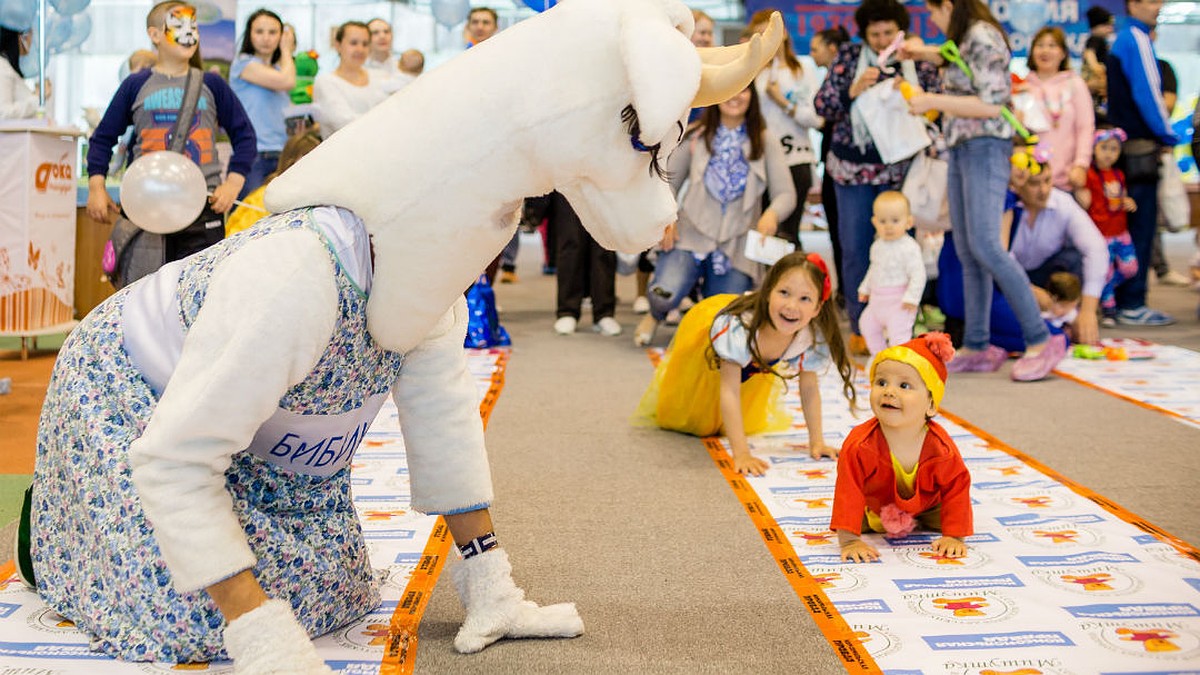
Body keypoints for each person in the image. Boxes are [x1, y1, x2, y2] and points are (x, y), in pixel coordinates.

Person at [900, 0, 1066, 381]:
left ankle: (1041, 339)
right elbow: (953, 57)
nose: (934, 20)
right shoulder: (963, 39)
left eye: (935, 12)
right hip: (961, 147)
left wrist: (930, 101)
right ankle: (977, 343)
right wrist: (920, 50)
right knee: (967, 248)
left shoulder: (983, 35)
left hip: (986, 146)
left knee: (988, 245)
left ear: (949, 6)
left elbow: (992, 104)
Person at [634, 253, 857, 475]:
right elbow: (729, 389)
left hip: (751, 365)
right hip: (706, 354)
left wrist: (816, 441)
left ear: (818, 308)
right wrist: (741, 453)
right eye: (784, 293)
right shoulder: (739, 328)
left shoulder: (808, 336)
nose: (791, 305)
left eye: (805, 299)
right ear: (768, 292)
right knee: (695, 416)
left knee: (733, 415)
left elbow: (809, 389)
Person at [813, 0, 941, 354]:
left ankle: (901, 329)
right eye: (875, 34)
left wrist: (910, 92)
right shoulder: (850, 58)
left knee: (902, 249)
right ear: (863, 34)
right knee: (855, 248)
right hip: (852, 171)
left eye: (889, 33)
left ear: (901, 30)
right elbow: (821, 105)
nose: (883, 40)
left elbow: (937, 109)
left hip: (902, 171)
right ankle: (860, 327)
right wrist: (853, 90)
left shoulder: (916, 57)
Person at [85, 0, 256, 264]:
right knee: (143, 293)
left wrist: (233, 184)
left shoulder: (212, 85)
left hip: (202, 209)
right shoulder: (136, 84)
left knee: (198, 293)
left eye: (194, 26)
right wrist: (97, 185)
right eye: (179, 25)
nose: (189, 33)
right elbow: (103, 137)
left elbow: (245, 136)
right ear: (155, 35)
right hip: (145, 208)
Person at [633, 84, 796, 347]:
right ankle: (656, 314)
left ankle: (700, 308)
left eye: (743, 91)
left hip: (737, 241)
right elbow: (667, 183)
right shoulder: (697, 135)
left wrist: (772, 215)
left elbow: (786, 194)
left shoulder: (765, 140)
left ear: (752, 98)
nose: (735, 97)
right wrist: (668, 218)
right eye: (729, 90)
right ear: (717, 97)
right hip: (691, 234)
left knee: (727, 313)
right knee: (663, 294)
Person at [832, 332, 972, 563]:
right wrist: (849, 540)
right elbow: (849, 488)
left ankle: (929, 521)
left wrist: (955, 536)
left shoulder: (941, 448)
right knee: (856, 519)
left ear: (930, 404)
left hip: (928, 506)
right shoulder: (860, 444)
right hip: (876, 507)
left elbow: (956, 486)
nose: (889, 391)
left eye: (904, 385)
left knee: (948, 514)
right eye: (881, 382)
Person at [1104, 0, 1178, 326]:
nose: (1159, 6)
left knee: (1127, 226)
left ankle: (1122, 301)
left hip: (1125, 147)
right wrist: (1167, 135)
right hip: (1139, 150)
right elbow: (1149, 94)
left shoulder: (1122, 37)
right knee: (1140, 227)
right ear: (1134, 4)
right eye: (1152, 0)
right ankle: (1132, 302)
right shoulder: (1136, 37)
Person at [747, 9, 823, 248]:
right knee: (763, 229)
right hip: (760, 160)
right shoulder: (752, 72)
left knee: (787, 230)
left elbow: (816, 119)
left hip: (795, 157)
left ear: (784, 34)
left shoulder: (801, 70)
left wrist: (783, 102)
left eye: (771, 33)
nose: (767, 40)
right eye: (759, 35)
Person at [1016, 26, 1093, 193]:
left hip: (1067, 180)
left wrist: (1081, 164)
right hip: (1031, 181)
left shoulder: (1075, 84)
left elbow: (1085, 127)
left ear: (1063, 53)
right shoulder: (1021, 87)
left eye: (1052, 46)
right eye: (1040, 45)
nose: (1045, 51)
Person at [1076, 127, 1138, 327]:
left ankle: (1104, 289)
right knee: (1105, 270)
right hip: (1101, 234)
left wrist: (1128, 201)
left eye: (1114, 149)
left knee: (1130, 268)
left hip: (1120, 231)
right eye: (1104, 148)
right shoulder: (1090, 175)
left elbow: (1121, 197)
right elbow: (1084, 201)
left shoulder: (1119, 174)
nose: (1109, 153)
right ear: (1094, 149)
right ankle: (1109, 308)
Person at [230, 9, 296, 199]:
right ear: (249, 35)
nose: (266, 38)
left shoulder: (279, 68)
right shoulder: (243, 64)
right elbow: (287, 81)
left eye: (273, 32)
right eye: (259, 32)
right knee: (249, 220)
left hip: (283, 154)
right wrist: (286, 50)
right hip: (254, 155)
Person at [809, 26, 851, 304]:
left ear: (833, 49)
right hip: (831, 162)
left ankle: (848, 293)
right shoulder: (830, 80)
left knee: (843, 231)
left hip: (845, 167)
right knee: (837, 231)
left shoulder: (846, 77)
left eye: (815, 48)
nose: (812, 54)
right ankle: (843, 293)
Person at [858, 191, 926, 355]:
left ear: (908, 222)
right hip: (877, 301)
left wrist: (912, 298)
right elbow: (874, 269)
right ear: (874, 222)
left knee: (898, 336)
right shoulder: (877, 246)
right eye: (882, 221)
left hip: (899, 302)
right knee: (867, 325)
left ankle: (899, 362)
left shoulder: (909, 247)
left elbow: (918, 274)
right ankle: (880, 357)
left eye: (895, 221)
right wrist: (865, 288)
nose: (888, 226)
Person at [547, 191, 621, 336]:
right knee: (570, 241)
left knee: (605, 244)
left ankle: (604, 313)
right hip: (568, 176)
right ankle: (567, 311)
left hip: (604, 180)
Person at [224, 129, 321, 236]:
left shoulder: (320, 198)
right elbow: (235, 235)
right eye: (308, 162)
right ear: (291, 163)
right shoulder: (263, 198)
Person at [312, 21, 386, 139]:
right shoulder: (326, 82)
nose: (360, 49)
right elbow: (344, 123)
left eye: (365, 44)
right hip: (340, 154)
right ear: (338, 45)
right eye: (353, 43)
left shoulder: (380, 77)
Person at [1, 27, 42, 119]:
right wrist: (37, 96)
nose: (31, 42)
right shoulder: (2, 67)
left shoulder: (8, 68)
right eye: (30, 36)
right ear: (20, 38)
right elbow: (3, 113)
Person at [1082, 5, 1114, 118]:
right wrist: (1097, 68)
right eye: (1107, 25)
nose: (1110, 29)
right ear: (1096, 26)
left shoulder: (1101, 41)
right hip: (1092, 78)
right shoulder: (1096, 39)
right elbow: (1089, 53)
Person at [1038, 271, 1083, 337]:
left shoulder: (1073, 315)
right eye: (1062, 306)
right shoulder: (1043, 316)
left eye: (1072, 306)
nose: (1066, 311)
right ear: (1050, 299)